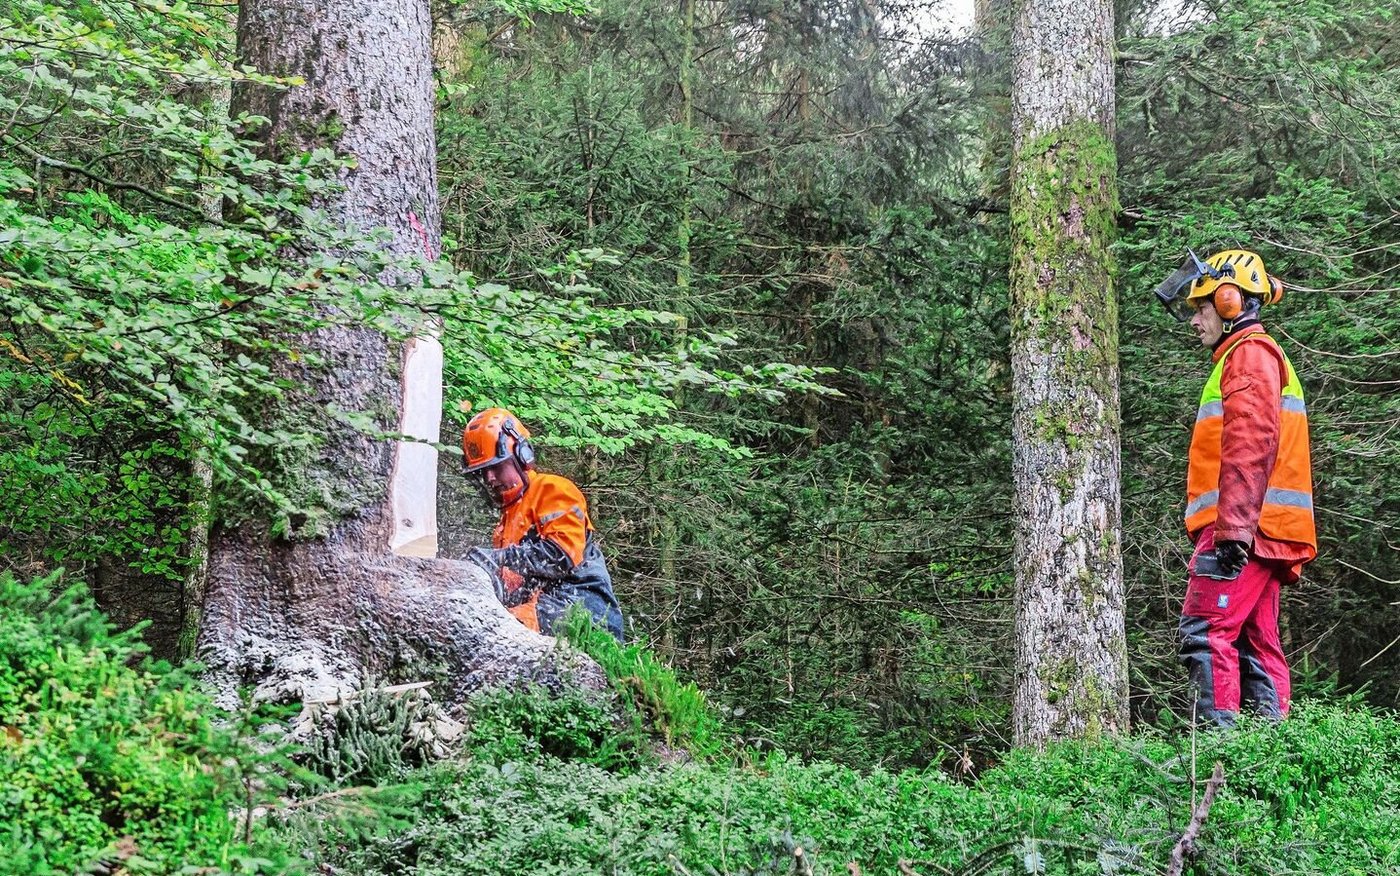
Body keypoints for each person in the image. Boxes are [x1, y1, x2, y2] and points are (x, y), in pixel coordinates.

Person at [1154, 248, 1317, 727]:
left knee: (1206, 631)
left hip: (1244, 526)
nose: (1194, 320)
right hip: (1264, 527)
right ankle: (1271, 754)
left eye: (1201, 308)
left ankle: (1219, 756)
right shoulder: (1252, 355)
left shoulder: (1248, 356)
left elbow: (1249, 445)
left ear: (1230, 302)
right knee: (1255, 642)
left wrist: (1233, 533)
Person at [460, 407, 625, 641]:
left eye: (496, 467)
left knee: (498, 628)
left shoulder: (553, 490)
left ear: (521, 455)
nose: (490, 478)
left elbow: (561, 556)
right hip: (544, 610)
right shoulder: (507, 522)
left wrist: (499, 558)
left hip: (584, 608)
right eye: (484, 471)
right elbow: (515, 585)